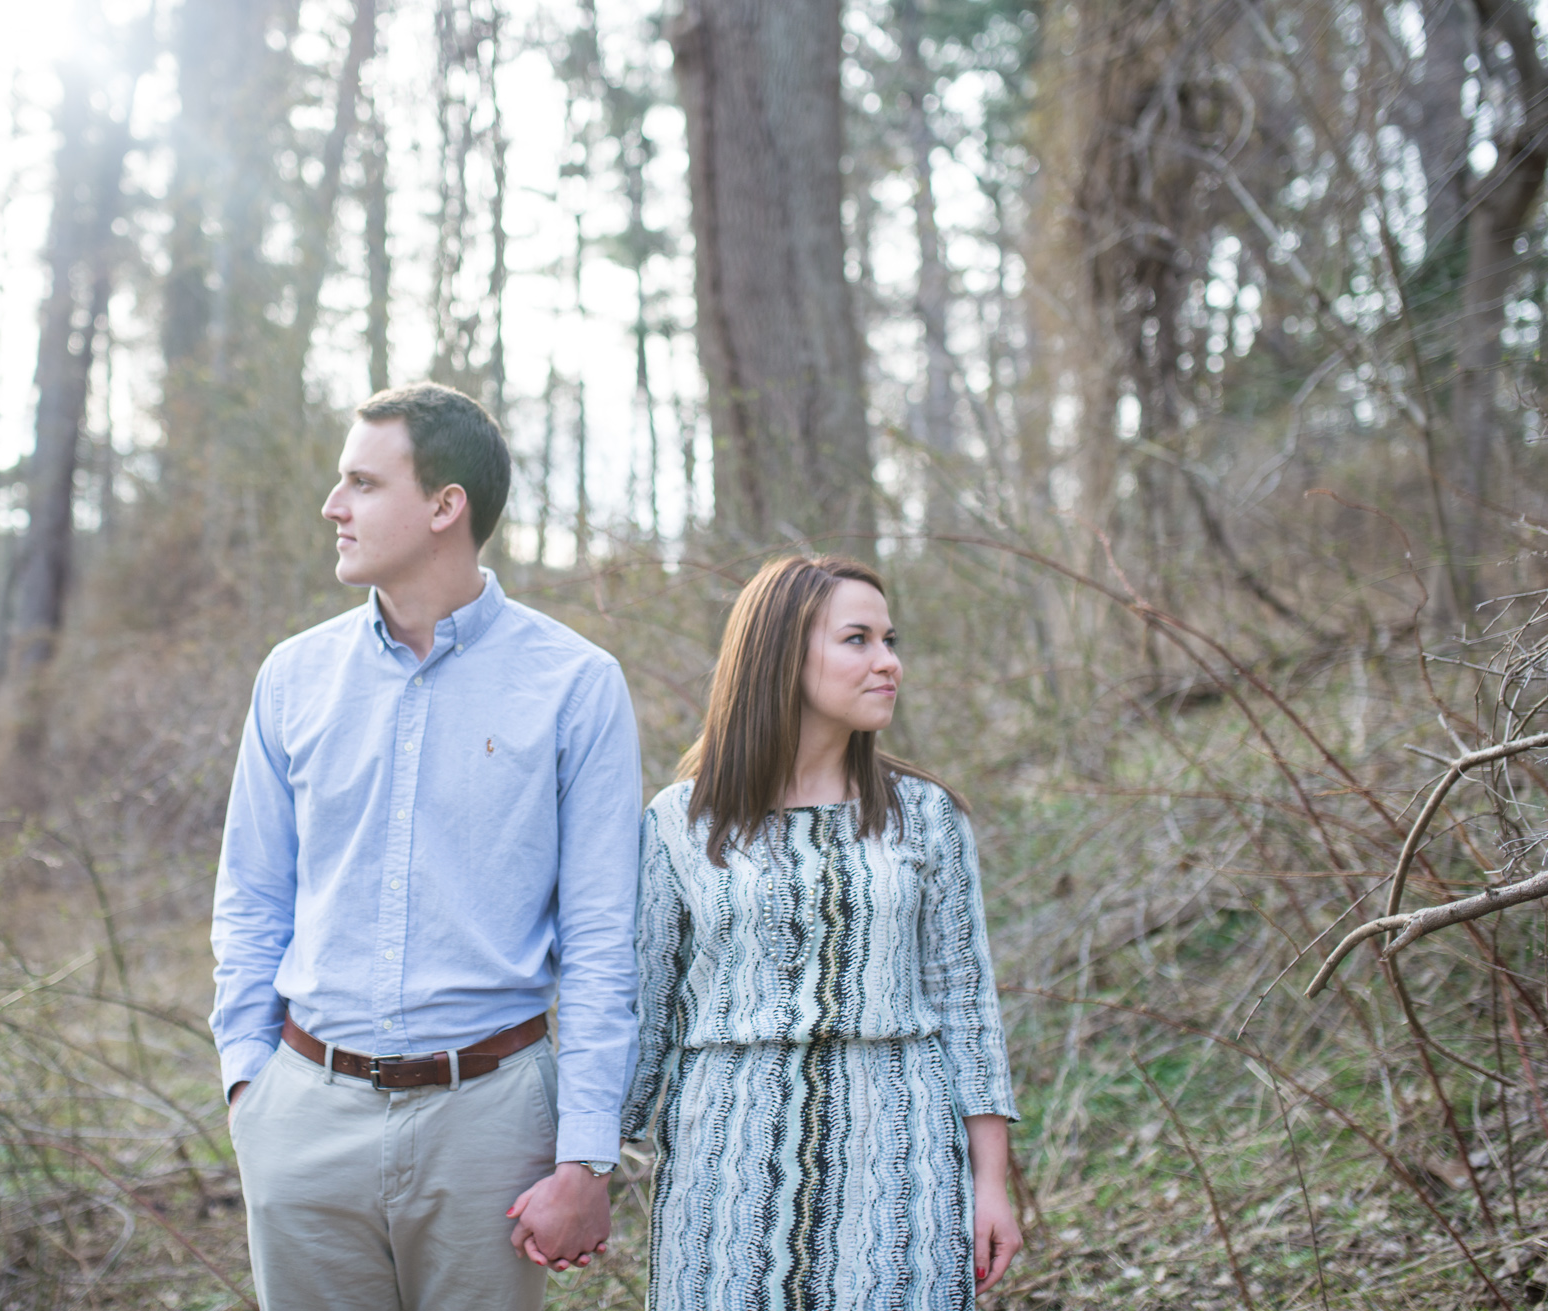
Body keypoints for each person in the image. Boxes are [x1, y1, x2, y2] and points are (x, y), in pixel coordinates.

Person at [210, 383, 643, 1311]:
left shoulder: (575, 686)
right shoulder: (294, 677)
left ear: (447, 506)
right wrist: (250, 1085)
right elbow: (252, 895)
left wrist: (584, 1155)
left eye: (362, 483)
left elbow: (607, 938)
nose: (333, 506)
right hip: (304, 1113)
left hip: (491, 1126)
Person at [621, 553, 1022, 1309]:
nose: (889, 662)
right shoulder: (680, 823)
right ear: (781, 654)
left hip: (902, 1158)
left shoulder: (926, 816)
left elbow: (969, 1006)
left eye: (890, 639)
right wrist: (579, 1164)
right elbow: (640, 1010)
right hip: (726, 1165)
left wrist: (990, 1182)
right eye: (859, 639)